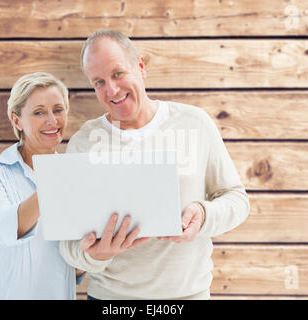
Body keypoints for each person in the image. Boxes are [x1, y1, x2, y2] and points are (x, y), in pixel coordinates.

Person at [59, 30, 250, 300]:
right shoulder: (84, 143)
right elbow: (67, 245)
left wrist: (203, 215)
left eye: (117, 74)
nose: (111, 90)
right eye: (99, 82)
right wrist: (93, 256)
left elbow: (237, 200)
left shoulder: (195, 123)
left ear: (140, 66)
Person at [0, 72, 84, 299]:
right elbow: (5, 230)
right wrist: (59, 179)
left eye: (58, 110)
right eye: (39, 112)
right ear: (16, 119)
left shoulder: (76, 176)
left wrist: (95, 254)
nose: (52, 121)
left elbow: (76, 265)